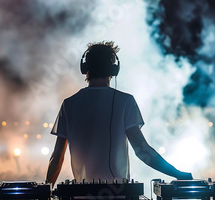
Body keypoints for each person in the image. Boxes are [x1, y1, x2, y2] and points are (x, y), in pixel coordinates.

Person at [46, 41, 192, 186]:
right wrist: (177, 173)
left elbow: (57, 157)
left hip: (82, 199)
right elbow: (142, 151)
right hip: (118, 198)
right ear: (114, 69)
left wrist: (46, 190)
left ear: (85, 68)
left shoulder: (69, 104)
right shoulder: (125, 101)